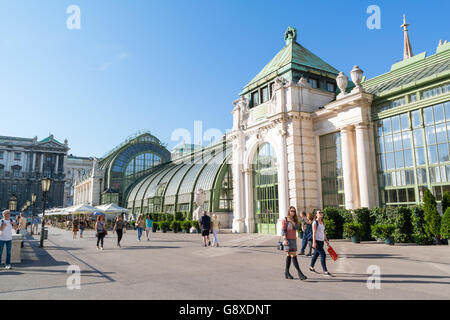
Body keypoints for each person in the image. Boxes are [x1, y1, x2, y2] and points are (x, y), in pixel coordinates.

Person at [282, 206, 307, 280]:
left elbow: (297, 228)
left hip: (293, 239)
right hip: (288, 240)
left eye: (294, 211)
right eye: (291, 211)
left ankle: (286, 273)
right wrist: (285, 239)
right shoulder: (285, 220)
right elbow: (283, 230)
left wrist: (292, 221)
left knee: (289, 255)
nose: (293, 212)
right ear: (289, 211)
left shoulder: (295, 220)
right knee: (293, 255)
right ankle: (300, 273)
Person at [309, 210, 332, 276]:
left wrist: (326, 241)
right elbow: (314, 233)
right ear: (316, 214)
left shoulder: (322, 222)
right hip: (317, 241)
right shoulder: (315, 222)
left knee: (316, 255)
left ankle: (311, 267)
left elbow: (323, 232)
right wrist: (314, 242)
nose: (321, 213)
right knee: (323, 254)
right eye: (319, 212)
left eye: (321, 212)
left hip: (321, 241)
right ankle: (325, 270)